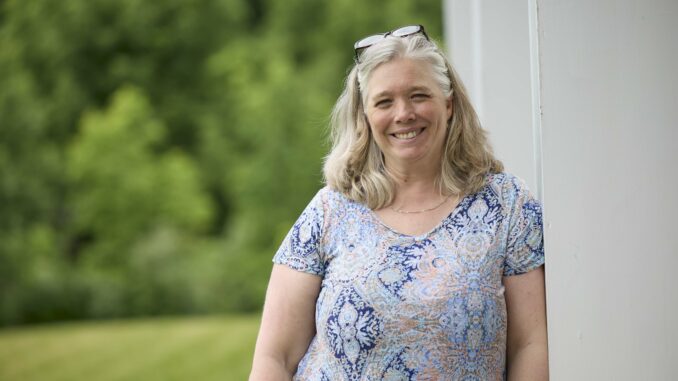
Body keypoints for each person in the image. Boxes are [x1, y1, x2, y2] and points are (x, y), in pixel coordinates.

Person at [249, 25, 548, 381]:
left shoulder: (507, 204)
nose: (403, 114)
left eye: (419, 95)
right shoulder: (330, 209)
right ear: (365, 116)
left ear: (448, 104)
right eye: (384, 101)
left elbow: (530, 345)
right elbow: (275, 357)